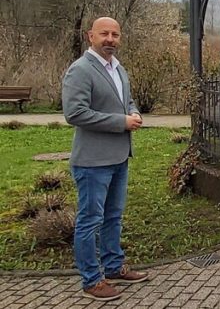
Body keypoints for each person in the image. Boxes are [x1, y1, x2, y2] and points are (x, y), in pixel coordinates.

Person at [62, 17, 149, 301]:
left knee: (113, 216)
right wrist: (120, 122)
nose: (110, 39)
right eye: (104, 34)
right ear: (91, 36)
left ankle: (113, 266)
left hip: (119, 156)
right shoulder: (80, 70)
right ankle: (91, 279)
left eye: (115, 34)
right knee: (90, 221)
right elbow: (74, 113)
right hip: (92, 162)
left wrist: (133, 113)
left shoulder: (117, 68)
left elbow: (128, 101)